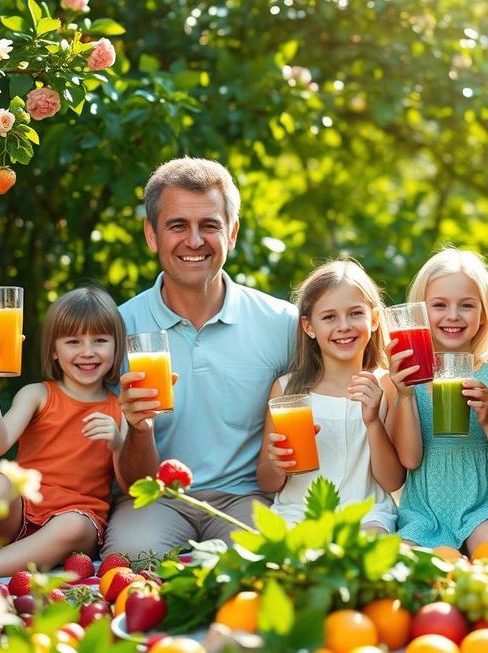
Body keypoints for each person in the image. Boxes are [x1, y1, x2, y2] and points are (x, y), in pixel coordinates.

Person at [105, 157, 297, 557]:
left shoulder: (282, 324)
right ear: (152, 234)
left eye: (209, 225)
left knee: (267, 564)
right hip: (155, 497)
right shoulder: (117, 328)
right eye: (178, 226)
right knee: (130, 562)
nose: (194, 241)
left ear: (233, 233)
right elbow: (128, 477)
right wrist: (139, 428)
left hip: (247, 499)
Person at [0, 287, 127, 577]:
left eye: (100, 341)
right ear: (53, 349)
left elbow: (128, 483)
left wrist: (117, 442)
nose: (87, 352)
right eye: (73, 341)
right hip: (23, 513)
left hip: (77, 524)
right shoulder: (37, 394)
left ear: (116, 347)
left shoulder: (120, 409)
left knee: (72, 524)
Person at [389, 247, 488, 553]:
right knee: (404, 565)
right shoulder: (408, 379)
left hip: (484, 507)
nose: (453, 315)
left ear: (484, 313)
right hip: (424, 511)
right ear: (421, 312)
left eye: (467, 305)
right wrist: (405, 396)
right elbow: (409, 460)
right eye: (439, 305)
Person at [257, 259, 403, 531]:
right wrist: (279, 464)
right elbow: (266, 482)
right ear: (309, 326)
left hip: (367, 514)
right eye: (329, 317)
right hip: (297, 514)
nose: (344, 325)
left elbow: (393, 481)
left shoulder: (385, 385)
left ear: (373, 320)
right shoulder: (287, 390)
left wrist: (373, 422)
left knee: (370, 557)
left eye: (355, 314)